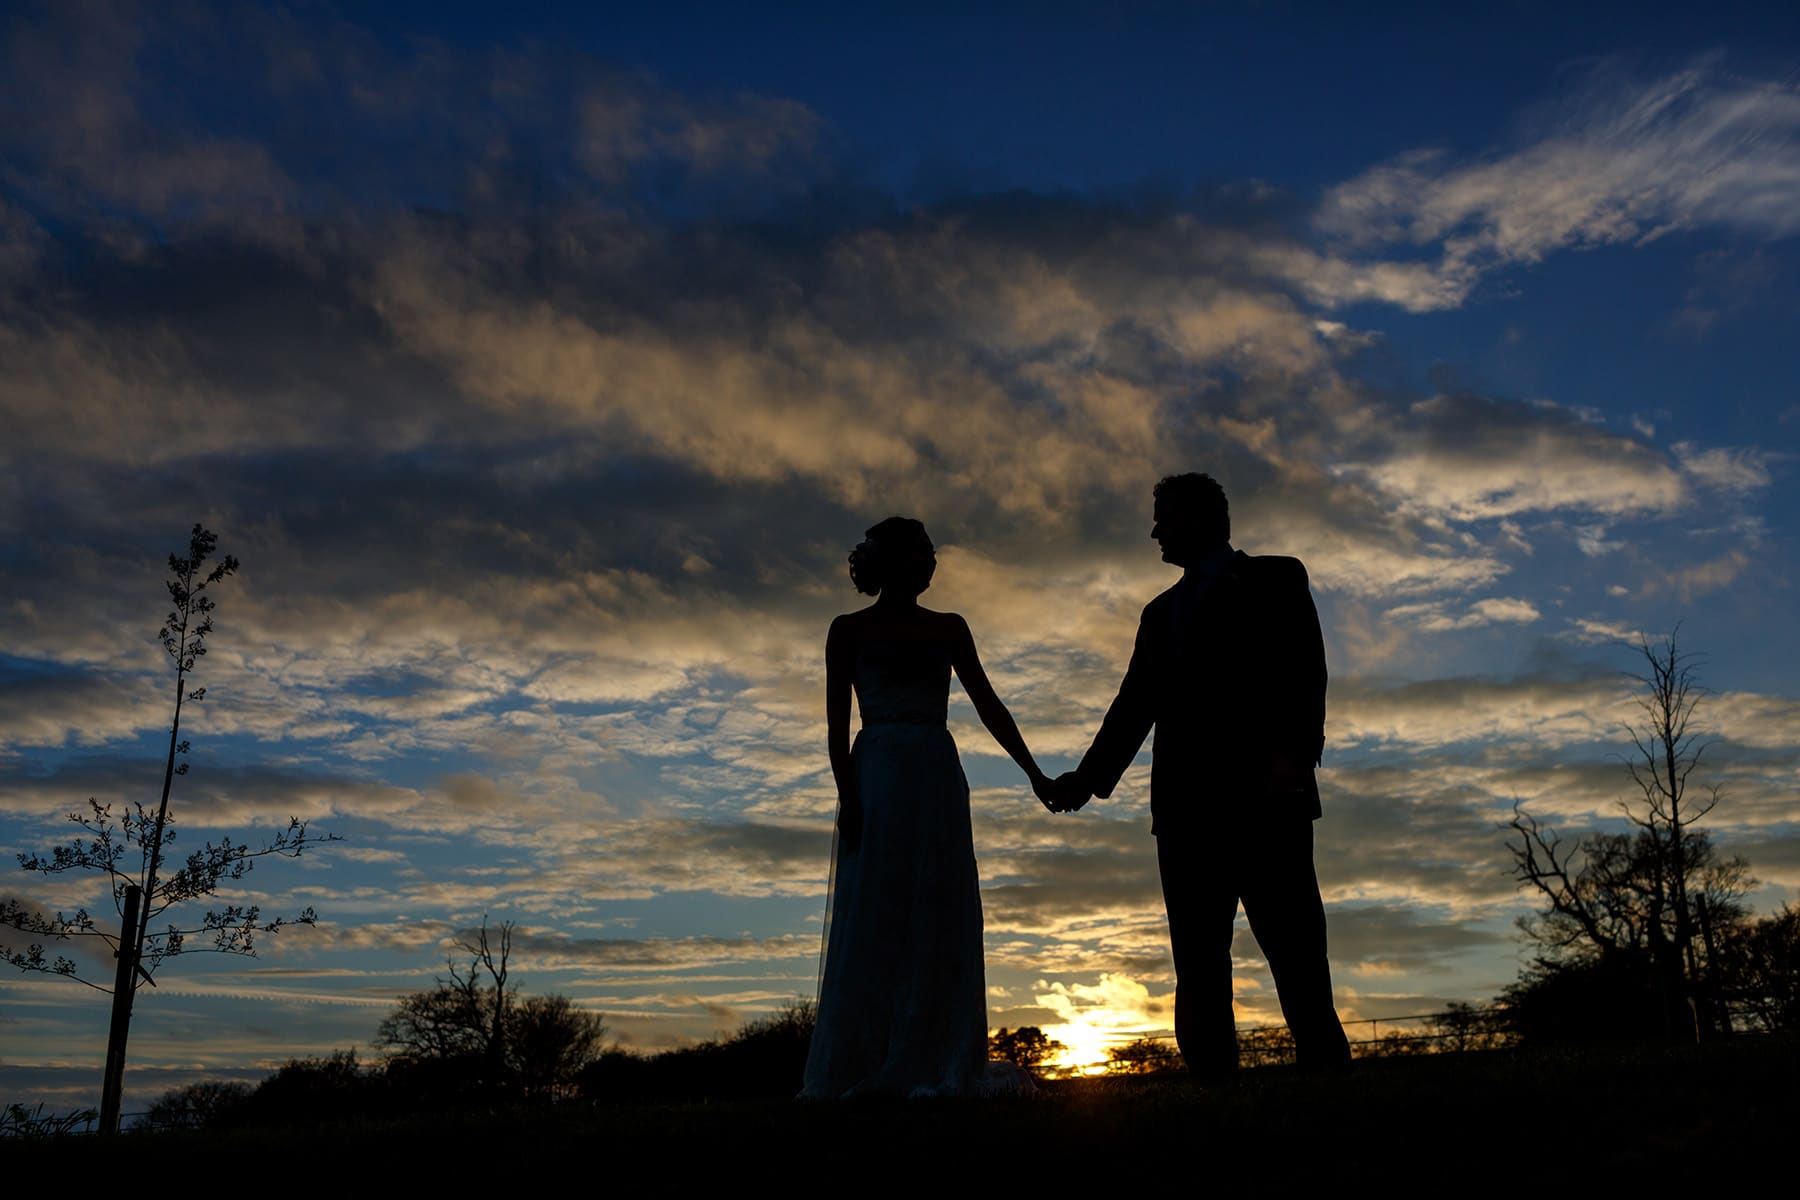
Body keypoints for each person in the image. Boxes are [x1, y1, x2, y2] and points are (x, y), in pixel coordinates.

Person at [1046, 473, 1352, 1079]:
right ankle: (1214, 1087)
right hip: (1185, 811)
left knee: (1295, 951)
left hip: (1268, 797)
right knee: (1198, 959)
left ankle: (1330, 1075)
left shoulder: (1277, 577)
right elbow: (1135, 703)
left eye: (1165, 516)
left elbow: (1305, 670)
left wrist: (1294, 759)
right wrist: (1085, 780)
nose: (1155, 530)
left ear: (1206, 517)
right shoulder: (1159, 614)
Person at [801, 516, 1050, 1098]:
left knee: (938, 908)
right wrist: (848, 796)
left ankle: (936, 1052)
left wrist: (1034, 773)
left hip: (935, 774)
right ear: (890, 561)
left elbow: (990, 705)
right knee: (878, 912)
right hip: (878, 770)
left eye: (931, 553)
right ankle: (867, 1055)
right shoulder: (847, 630)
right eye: (919, 553)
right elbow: (837, 726)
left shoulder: (949, 628)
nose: (930, 562)